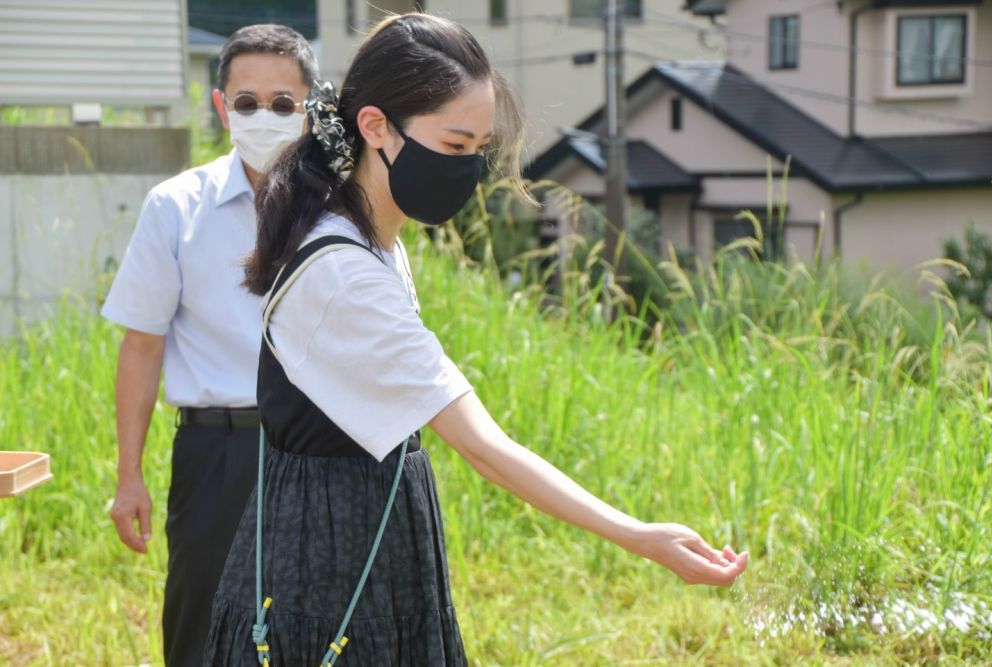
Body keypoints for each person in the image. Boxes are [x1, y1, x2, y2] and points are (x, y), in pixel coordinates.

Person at [203, 13, 748, 665]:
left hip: (353, 544)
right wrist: (638, 535)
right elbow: (484, 446)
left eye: (478, 148)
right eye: (454, 144)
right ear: (375, 127)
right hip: (329, 565)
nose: (467, 168)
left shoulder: (364, 239)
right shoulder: (344, 272)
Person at [101, 24, 319, 667]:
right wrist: (128, 476)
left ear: (309, 109)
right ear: (222, 107)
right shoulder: (175, 208)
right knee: (202, 630)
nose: (264, 115)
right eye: (247, 101)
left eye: (283, 103)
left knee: (318, 626)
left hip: (321, 449)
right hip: (215, 451)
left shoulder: (341, 209)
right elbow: (141, 346)